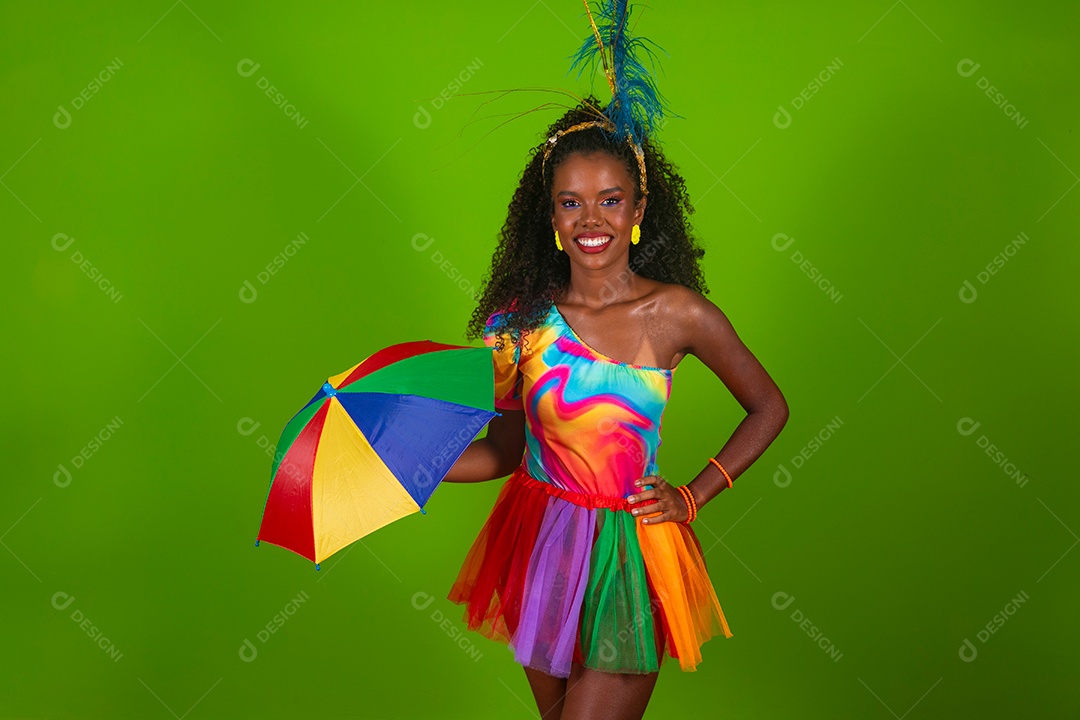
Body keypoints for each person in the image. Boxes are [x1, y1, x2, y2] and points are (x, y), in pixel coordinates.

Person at [442, 97, 789, 720]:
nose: (590, 218)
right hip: (542, 542)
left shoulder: (679, 313)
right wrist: (418, 463)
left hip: (629, 554)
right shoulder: (520, 325)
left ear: (638, 208)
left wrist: (695, 495)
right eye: (570, 202)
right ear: (549, 216)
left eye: (610, 198)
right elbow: (505, 450)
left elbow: (768, 407)